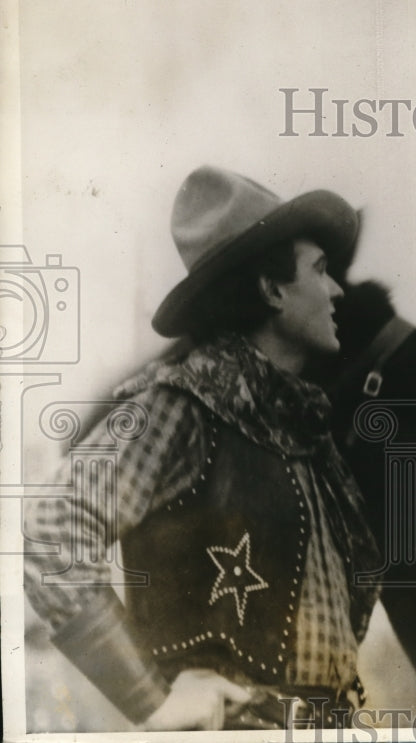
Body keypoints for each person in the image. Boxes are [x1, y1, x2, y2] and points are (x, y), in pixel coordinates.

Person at [23, 166, 382, 731]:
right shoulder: (181, 406)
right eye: (319, 270)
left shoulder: (304, 431)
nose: (337, 288)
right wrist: (152, 700)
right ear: (271, 290)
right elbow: (50, 532)